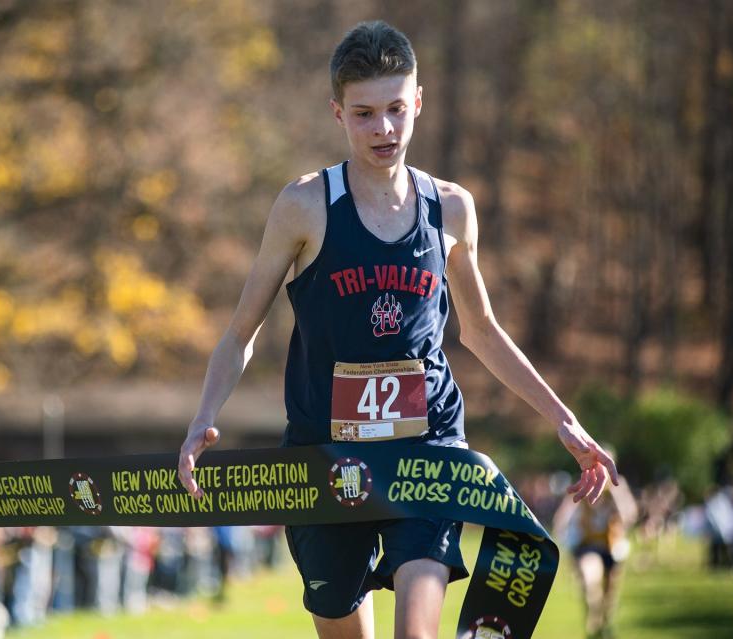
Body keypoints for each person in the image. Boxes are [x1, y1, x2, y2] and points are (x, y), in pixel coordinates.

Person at [178, 20, 618, 639]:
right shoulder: (303, 206)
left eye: (394, 109)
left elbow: (482, 330)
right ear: (338, 113)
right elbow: (240, 332)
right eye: (363, 114)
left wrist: (563, 419)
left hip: (427, 449)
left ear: (418, 101)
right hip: (327, 457)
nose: (383, 129)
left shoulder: (452, 208)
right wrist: (203, 417)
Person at [554, 466, 638, 639]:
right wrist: (560, 532)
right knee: (589, 581)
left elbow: (629, 517)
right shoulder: (584, 484)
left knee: (609, 594)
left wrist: (616, 494)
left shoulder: (617, 486)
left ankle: (604, 624)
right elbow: (564, 513)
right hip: (588, 546)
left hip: (612, 547)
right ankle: (592, 623)